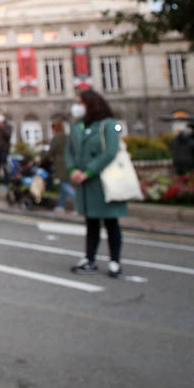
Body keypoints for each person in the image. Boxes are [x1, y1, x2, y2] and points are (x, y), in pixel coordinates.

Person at [66, 89, 127, 278]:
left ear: (90, 104)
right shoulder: (78, 126)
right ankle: (89, 258)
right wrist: (72, 169)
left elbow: (110, 151)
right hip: (85, 182)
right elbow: (69, 151)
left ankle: (115, 261)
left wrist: (89, 171)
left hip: (103, 181)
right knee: (91, 222)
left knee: (111, 222)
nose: (77, 107)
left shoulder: (107, 124)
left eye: (80, 103)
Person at [46, 118, 75, 213]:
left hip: (60, 164)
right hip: (69, 162)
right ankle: (61, 205)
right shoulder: (67, 136)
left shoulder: (57, 137)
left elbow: (51, 151)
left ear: (54, 129)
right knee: (63, 185)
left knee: (64, 184)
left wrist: (42, 159)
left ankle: (78, 203)